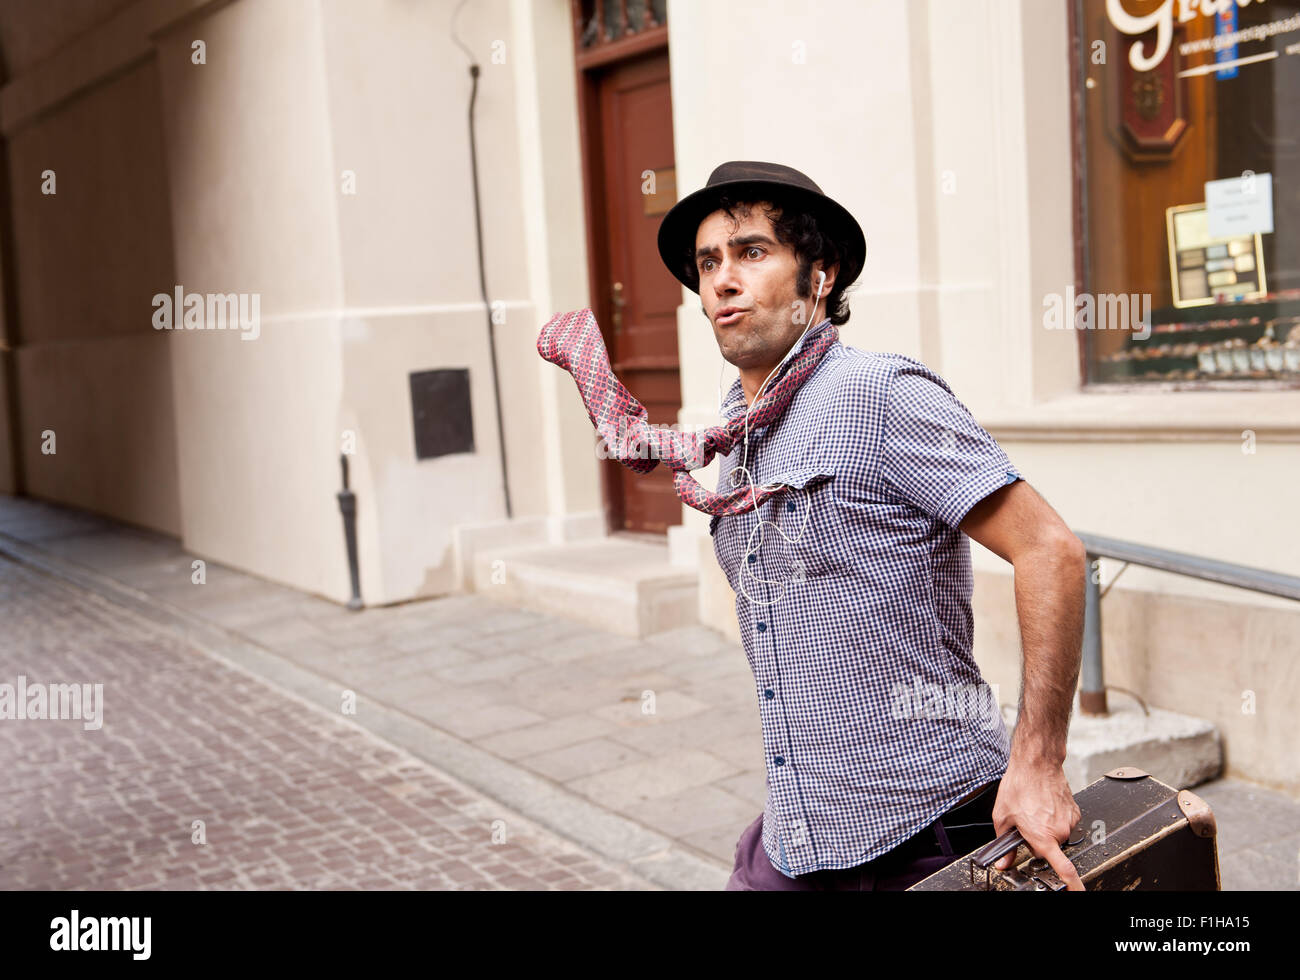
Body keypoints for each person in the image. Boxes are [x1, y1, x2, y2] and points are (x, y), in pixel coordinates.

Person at [652, 161, 1088, 891]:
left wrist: (1039, 762)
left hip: (928, 827)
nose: (722, 280)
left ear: (819, 274)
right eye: (708, 262)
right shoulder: (738, 436)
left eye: (752, 252)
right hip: (799, 834)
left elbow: (1051, 550)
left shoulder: (880, 394)